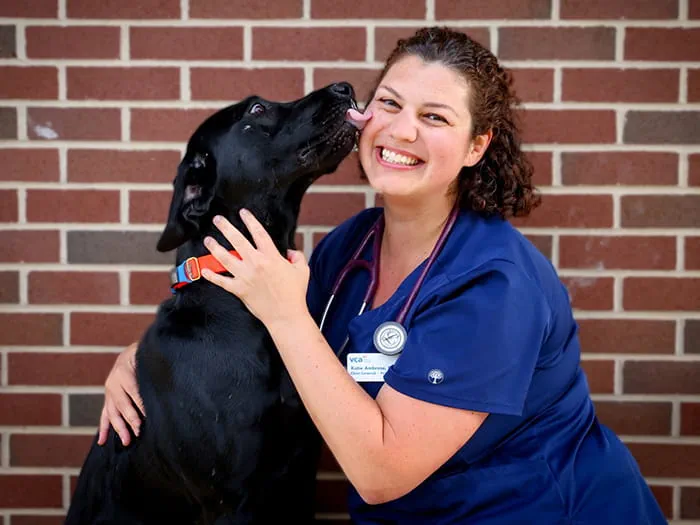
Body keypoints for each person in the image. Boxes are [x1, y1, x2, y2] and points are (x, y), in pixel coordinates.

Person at [98, 27, 666, 524]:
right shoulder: (351, 246)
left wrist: (287, 313)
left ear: (476, 146)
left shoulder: (494, 284)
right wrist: (141, 358)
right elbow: (258, 333)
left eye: (434, 117)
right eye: (389, 104)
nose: (401, 131)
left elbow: (380, 473)